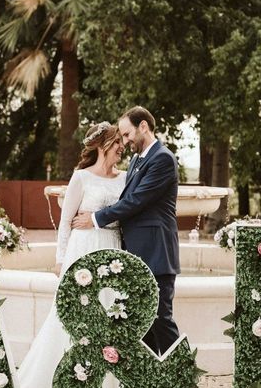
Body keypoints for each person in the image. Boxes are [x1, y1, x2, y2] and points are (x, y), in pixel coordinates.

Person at [18, 121, 127, 388]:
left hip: (112, 251)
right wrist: (60, 260)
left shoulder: (124, 179)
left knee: (108, 322)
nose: (122, 147)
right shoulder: (81, 178)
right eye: (117, 142)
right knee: (72, 322)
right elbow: (65, 223)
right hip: (82, 252)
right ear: (103, 145)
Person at [72, 106, 181, 356]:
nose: (124, 140)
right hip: (135, 255)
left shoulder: (163, 158)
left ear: (143, 126)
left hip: (156, 253)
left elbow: (136, 201)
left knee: (161, 318)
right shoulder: (135, 160)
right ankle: (153, 385)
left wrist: (96, 218)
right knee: (144, 324)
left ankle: (180, 378)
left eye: (127, 133)